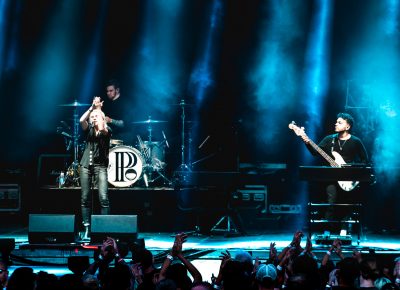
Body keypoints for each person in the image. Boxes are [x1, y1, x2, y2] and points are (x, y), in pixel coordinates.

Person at [301, 112, 369, 230]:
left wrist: (352, 169)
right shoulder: (329, 139)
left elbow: (365, 160)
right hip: (331, 177)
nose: (335, 124)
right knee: (330, 201)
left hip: (348, 178)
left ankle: (344, 228)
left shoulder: (356, 141)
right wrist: (306, 141)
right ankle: (328, 229)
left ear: (347, 127)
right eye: (336, 122)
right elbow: (315, 152)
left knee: (346, 203)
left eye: (339, 122)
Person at [79, 97, 112, 240]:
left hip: (101, 166)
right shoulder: (89, 130)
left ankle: (104, 227)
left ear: (102, 119)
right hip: (86, 165)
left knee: (103, 198)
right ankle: (86, 227)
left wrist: (99, 111)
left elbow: (102, 128)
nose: (93, 119)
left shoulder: (107, 130)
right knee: (85, 197)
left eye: (95, 118)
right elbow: (81, 120)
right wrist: (92, 109)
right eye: (92, 118)